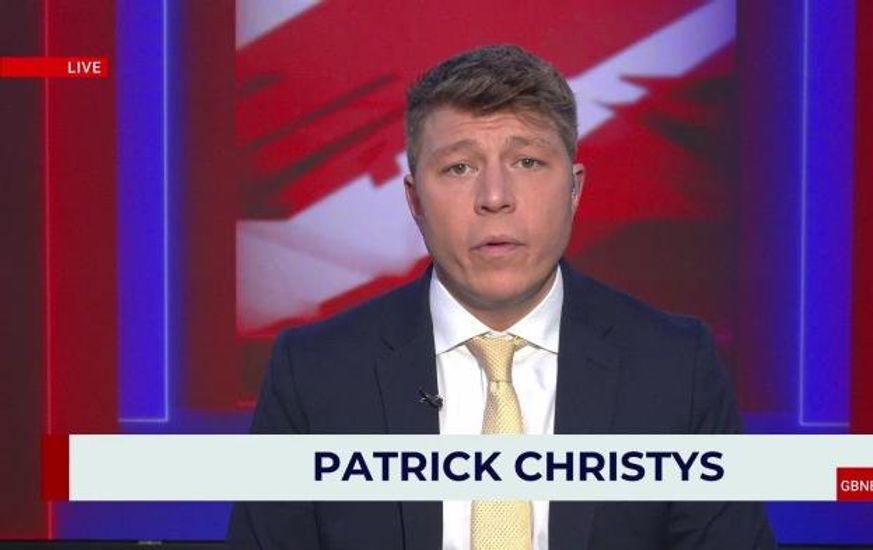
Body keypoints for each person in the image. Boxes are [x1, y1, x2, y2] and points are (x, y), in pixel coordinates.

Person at [228, 44, 776, 549]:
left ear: (575, 189)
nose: (494, 197)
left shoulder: (675, 368)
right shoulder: (314, 372)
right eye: (459, 167)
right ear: (415, 201)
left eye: (527, 162)